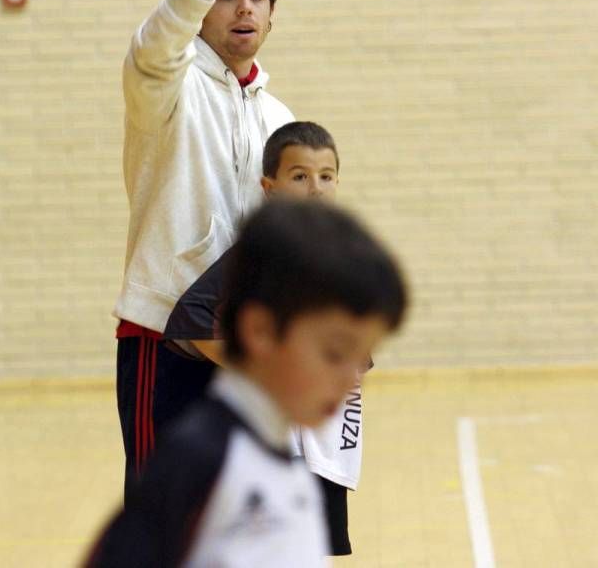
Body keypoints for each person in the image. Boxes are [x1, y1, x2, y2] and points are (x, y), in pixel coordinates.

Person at [84, 199, 410, 568]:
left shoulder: (290, 471)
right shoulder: (198, 465)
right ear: (260, 331)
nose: (352, 378)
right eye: (335, 354)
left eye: (363, 357)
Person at [115, 0, 294, 502]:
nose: (243, 6)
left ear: (272, 12)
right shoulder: (167, 84)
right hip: (165, 338)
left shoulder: (280, 120)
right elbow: (152, 48)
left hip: (246, 350)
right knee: (163, 526)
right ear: (200, 8)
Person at [163, 121, 363, 556]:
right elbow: (190, 318)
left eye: (326, 176)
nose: (315, 188)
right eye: (300, 176)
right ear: (269, 188)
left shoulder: (340, 257)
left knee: (316, 550)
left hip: (325, 437)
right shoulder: (262, 256)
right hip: (273, 444)